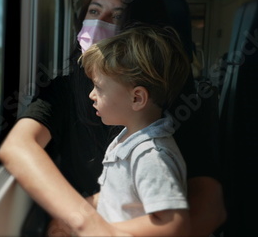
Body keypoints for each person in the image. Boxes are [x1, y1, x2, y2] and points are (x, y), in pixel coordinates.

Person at [0, 0, 226, 236]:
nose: (99, 23)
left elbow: (210, 207)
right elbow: (18, 146)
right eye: (94, 12)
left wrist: (100, 231)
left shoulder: (177, 103)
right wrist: (81, 219)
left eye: (117, 16)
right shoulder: (63, 90)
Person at [77, 25, 191, 235]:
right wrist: (81, 210)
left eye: (99, 88)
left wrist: (99, 230)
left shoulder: (151, 156)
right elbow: (118, 195)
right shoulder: (127, 141)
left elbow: (174, 224)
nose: (92, 95)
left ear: (137, 98)